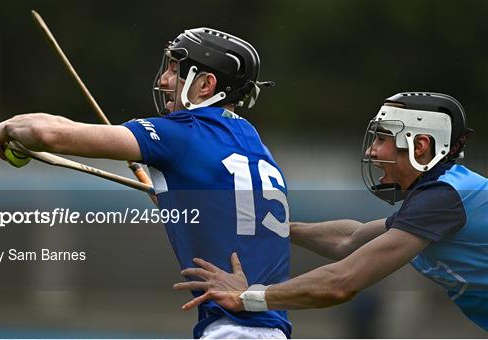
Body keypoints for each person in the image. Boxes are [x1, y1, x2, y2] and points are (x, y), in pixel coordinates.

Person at [0, 28, 292, 338]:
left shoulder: (183, 133)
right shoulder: (252, 142)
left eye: (176, 70)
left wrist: (7, 127)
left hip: (235, 331)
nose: (164, 80)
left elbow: (47, 134)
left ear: (205, 84)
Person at [173, 92, 488, 331]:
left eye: (382, 138)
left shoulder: (443, 199)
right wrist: (273, 224)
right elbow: (350, 238)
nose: (371, 151)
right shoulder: (441, 197)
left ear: (420, 146)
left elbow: (341, 282)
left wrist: (247, 298)